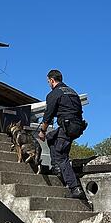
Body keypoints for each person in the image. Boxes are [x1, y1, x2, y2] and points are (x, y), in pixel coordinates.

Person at [38, 69, 87, 199]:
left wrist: (42, 131)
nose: (48, 83)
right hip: (77, 126)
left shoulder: (54, 94)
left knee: (61, 156)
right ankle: (57, 169)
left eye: (48, 81)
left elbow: (47, 116)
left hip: (67, 127)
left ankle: (75, 188)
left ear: (52, 80)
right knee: (51, 137)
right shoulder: (72, 92)